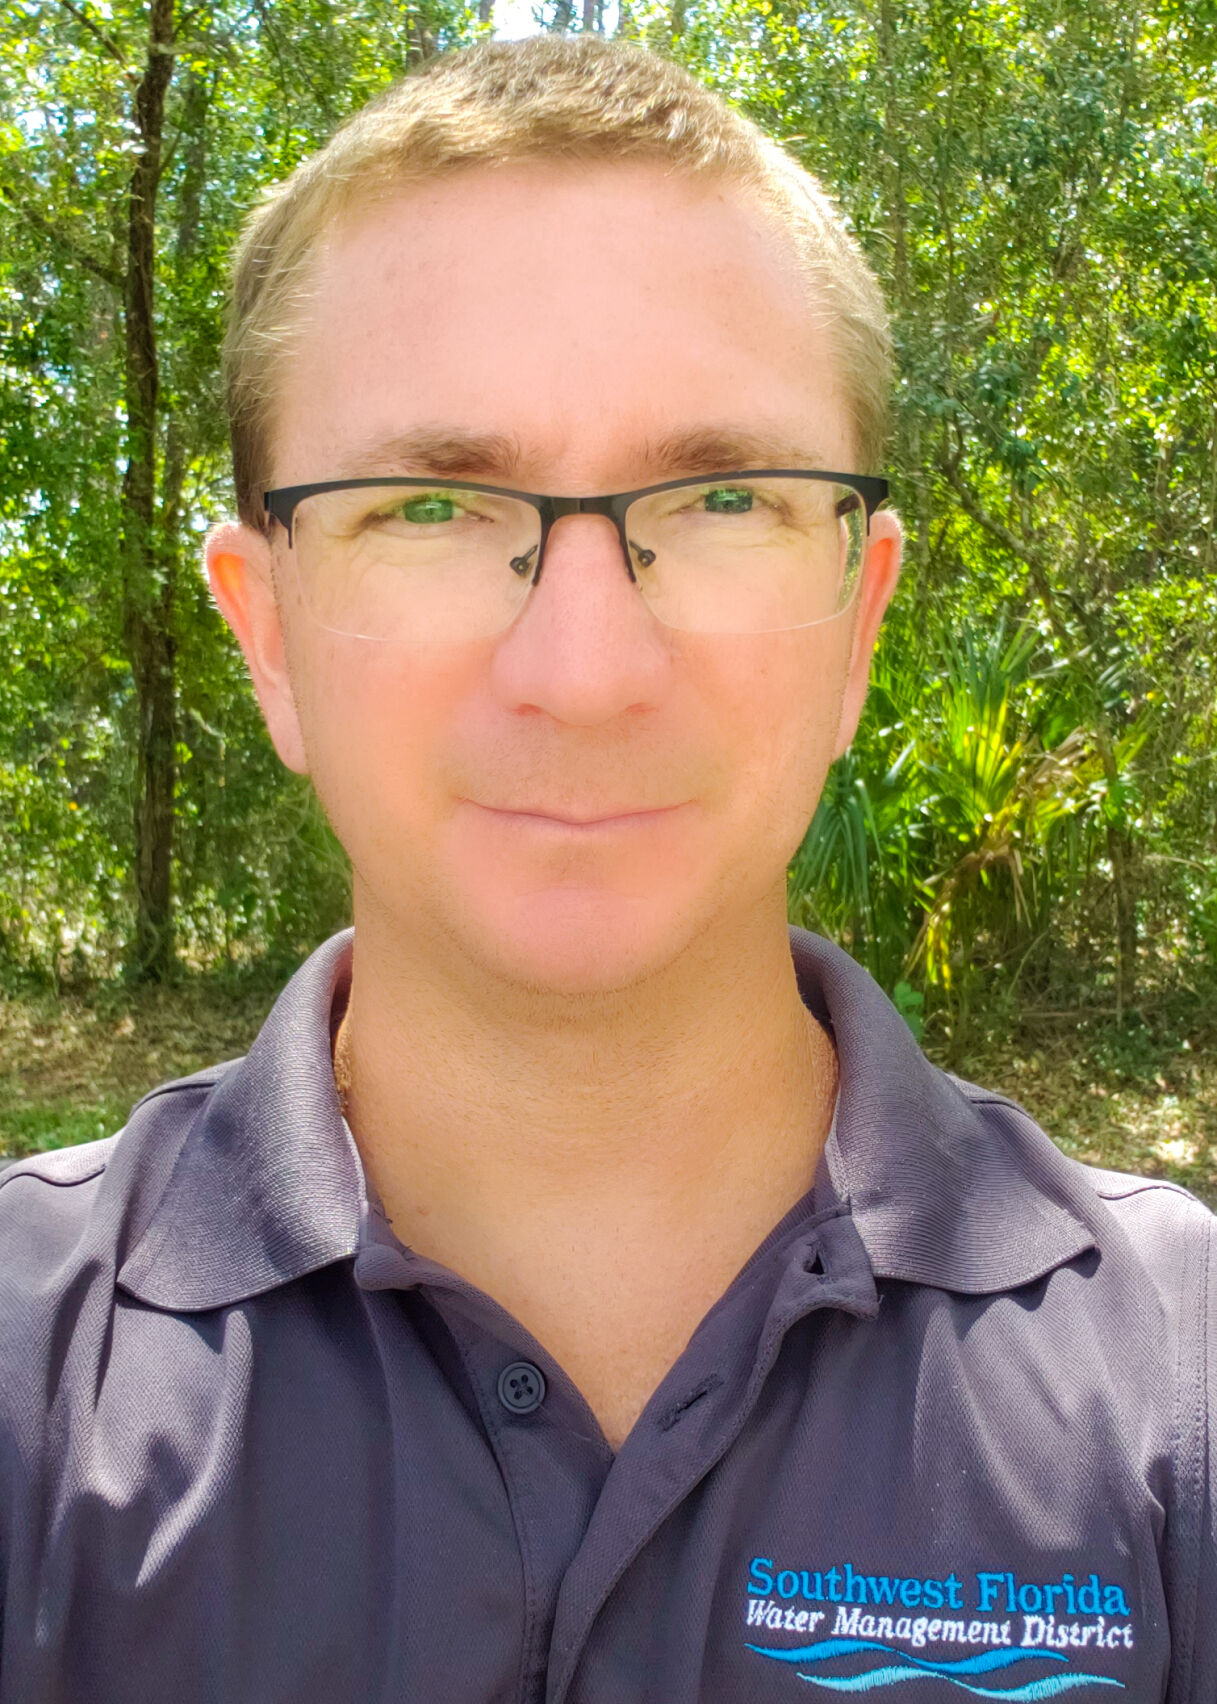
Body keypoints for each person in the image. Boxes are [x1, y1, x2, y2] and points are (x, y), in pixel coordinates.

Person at [0, 31, 1212, 1704]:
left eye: (722, 495)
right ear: (265, 632)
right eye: (427, 506)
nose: (584, 671)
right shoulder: (24, 1367)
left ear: (856, 623)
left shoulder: (1179, 1396)